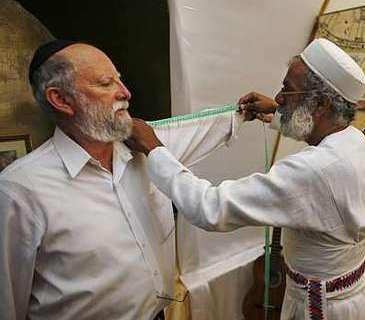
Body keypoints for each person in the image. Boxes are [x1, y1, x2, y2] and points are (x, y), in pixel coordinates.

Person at [127, 38, 365, 320]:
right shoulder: (352, 139)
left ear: (320, 104)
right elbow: (312, 130)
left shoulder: (314, 172)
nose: (279, 96)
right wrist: (278, 113)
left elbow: (211, 208)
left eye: (288, 89)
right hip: (351, 293)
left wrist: (155, 149)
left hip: (320, 309)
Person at [0, 40, 243, 319]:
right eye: (105, 84)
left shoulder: (148, 150)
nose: (125, 93)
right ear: (61, 99)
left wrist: (245, 113)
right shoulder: (19, 191)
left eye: (120, 80)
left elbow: (200, 129)